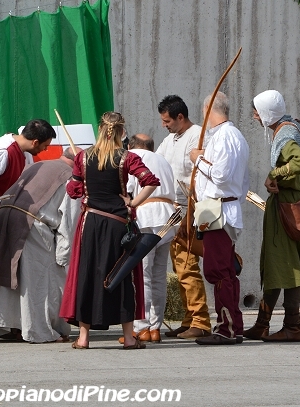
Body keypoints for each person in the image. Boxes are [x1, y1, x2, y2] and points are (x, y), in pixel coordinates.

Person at [59, 112, 160, 350]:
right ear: (122, 132)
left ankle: (83, 338)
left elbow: (73, 191)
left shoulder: (83, 157)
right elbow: (151, 181)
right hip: (117, 223)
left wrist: (83, 183)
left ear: (100, 130)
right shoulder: (127, 157)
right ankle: (129, 338)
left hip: (91, 223)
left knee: (88, 274)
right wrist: (133, 203)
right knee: (122, 274)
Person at [244, 90, 300, 342]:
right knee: (279, 264)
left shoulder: (285, 134)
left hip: (286, 207)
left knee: (286, 266)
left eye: (257, 111)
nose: (254, 116)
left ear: (267, 113)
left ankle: (292, 326)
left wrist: (276, 175)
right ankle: (263, 324)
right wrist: (292, 178)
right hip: (290, 203)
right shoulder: (293, 127)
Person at [0, 148, 81, 343]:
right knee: (39, 278)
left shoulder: (37, 165)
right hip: (32, 223)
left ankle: (8, 326)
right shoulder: (70, 177)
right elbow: (68, 220)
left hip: (4, 217)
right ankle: (38, 330)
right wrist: (64, 254)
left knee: (10, 274)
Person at [0, 119, 56, 331]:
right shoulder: (3, 152)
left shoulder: (22, 152)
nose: (46, 149)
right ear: (35, 141)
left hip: (5, 214)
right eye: (45, 145)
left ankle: (6, 320)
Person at [190, 91, 250, 346]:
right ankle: (232, 325)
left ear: (207, 110)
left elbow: (222, 176)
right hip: (222, 209)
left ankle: (226, 327)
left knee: (220, 270)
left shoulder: (226, 136)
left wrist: (199, 159)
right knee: (224, 269)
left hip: (219, 211)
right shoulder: (231, 136)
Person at [155, 95, 212, 340]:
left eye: (167, 120)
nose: (164, 125)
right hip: (174, 210)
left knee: (187, 265)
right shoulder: (169, 140)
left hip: (192, 208)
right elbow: (156, 164)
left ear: (181, 117)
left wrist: (192, 208)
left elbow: (208, 172)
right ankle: (189, 318)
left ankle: (200, 321)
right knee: (180, 267)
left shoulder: (199, 136)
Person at [115, 133, 176, 344]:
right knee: (158, 275)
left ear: (131, 145)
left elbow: (128, 191)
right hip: (167, 218)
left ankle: (142, 327)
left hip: (147, 215)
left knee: (143, 275)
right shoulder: (163, 160)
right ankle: (155, 327)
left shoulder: (132, 157)